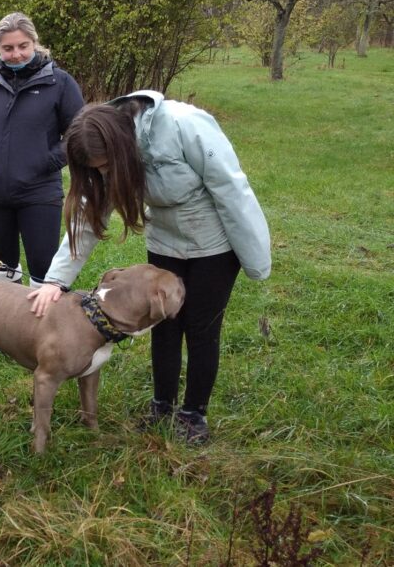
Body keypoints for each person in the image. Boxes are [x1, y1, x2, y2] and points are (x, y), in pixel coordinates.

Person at [27, 93, 271, 444]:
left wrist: (255, 259)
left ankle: (193, 415)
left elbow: (233, 191)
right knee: (163, 324)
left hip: (213, 244)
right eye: (96, 170)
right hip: (166, 242)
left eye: (105, 167)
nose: (103, 174)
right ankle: (162, 406)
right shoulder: (108, 154)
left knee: (201, 327)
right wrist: (56, 280)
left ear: (121, 145)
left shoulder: (184, 126)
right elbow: (87, 219)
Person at [0, 12, 84, 286]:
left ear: (34, 43)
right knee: (3, 265)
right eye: (8, 48)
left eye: (23, 46)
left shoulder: (59, 83)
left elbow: (78, 134)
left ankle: (40, 326)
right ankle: (7, 323)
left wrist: (46, 161)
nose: (16, 54)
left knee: (43, 268)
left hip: (39, 193)